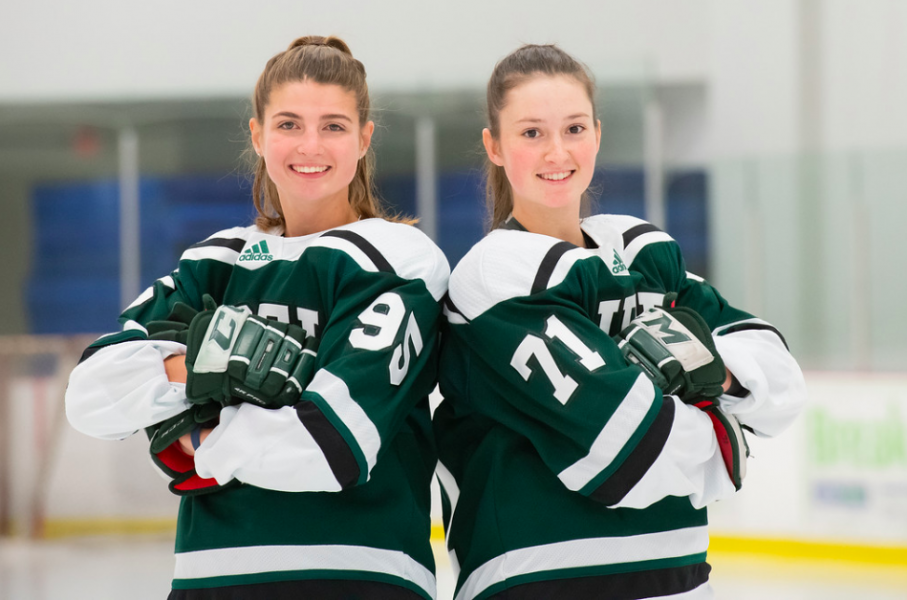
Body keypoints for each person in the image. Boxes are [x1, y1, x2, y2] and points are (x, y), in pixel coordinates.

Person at [66, 35, 449, 600]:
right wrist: (201, 369)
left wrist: (196, 434)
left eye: (334, 126)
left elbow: (329, 447)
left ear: (365, 139)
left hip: (359, 575)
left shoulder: (399, 259)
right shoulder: (216, 261)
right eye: (289, 124)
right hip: (209, 577)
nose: (309, 145)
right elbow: (90, 396)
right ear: (258, 134)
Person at [433, 44, 806, 600]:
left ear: (597, 134)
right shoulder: (494, 278)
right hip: (536, 579)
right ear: (494, 145)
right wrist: (725, 425)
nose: (557, 151)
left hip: (680, 577)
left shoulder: (641, 250)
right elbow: (630, 450)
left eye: (574, 128)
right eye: (531, 133)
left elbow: (781, 384)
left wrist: (718, 377)